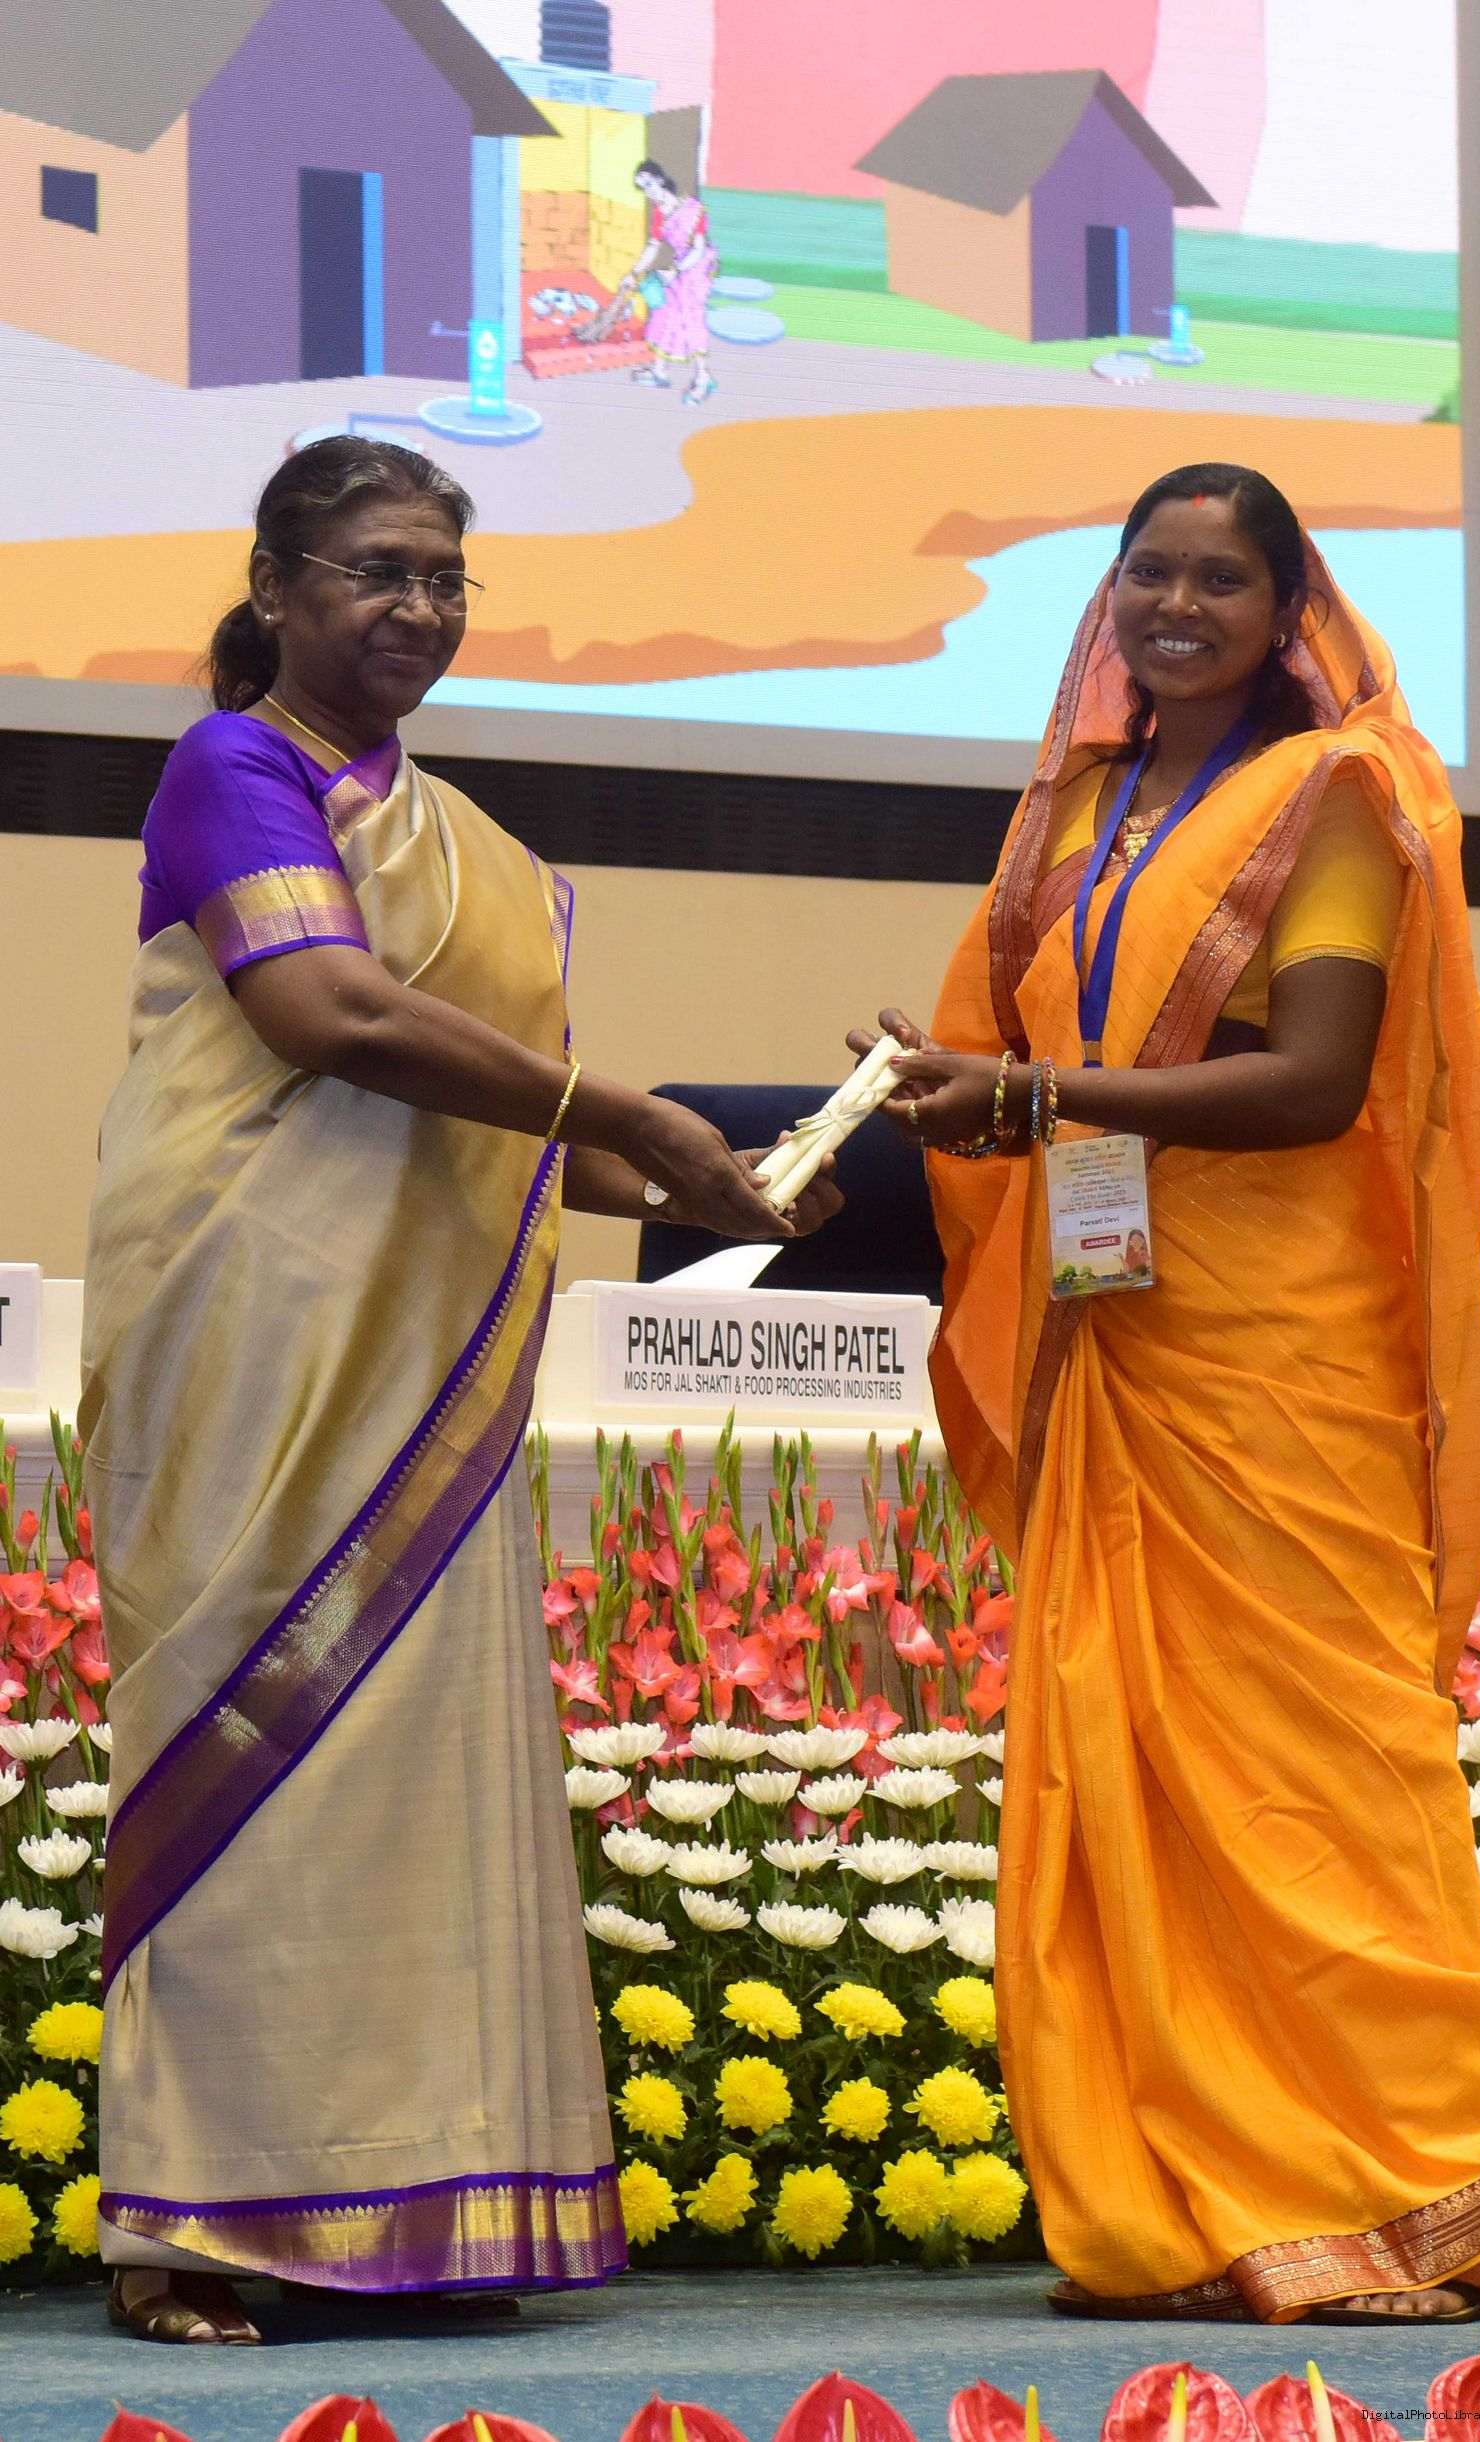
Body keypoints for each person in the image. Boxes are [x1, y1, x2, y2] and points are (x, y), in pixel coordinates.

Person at [83, 436, 837, 2345]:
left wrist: (697, 1181)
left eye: (443, 577)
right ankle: (194, 2222)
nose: (414, 607)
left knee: (411, 1756)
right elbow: (324, 1012)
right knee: (249, 1727)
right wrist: (635, 1115)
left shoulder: (462, 838)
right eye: (375, 570)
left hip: (413, 1356)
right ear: (275, 586)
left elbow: (493, 1136)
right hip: (254, 1332)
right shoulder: (233, 766)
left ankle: (412, 2207)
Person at [854, 463, 1480, 2323]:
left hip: (1276, 1338)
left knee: (1321, 1762)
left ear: (1285, 606)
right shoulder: (1084, 809)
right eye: (1147, 572)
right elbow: (1042, 1046)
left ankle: (1391, 2183)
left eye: (1220, 580)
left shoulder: (1335, 794)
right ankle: (1170, 2197)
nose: (1176, 605)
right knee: (1128, 1753)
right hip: (1120, 1315)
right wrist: (962, 1091)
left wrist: (1036, 1100)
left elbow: (1313, 1080)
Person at [616, 159, 718, 405]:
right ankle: (659, 371)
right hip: (679, 266)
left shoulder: (692, 209)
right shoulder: (659, 213)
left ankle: (703, 378)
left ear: (660, 180)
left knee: (689, 319)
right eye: (642, 187)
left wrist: (675, 271)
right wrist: (634, 273)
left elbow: (698, 249)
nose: (647, 191)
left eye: (649, 184)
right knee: (663, 312)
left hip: (697, 268)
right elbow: (653, 247)